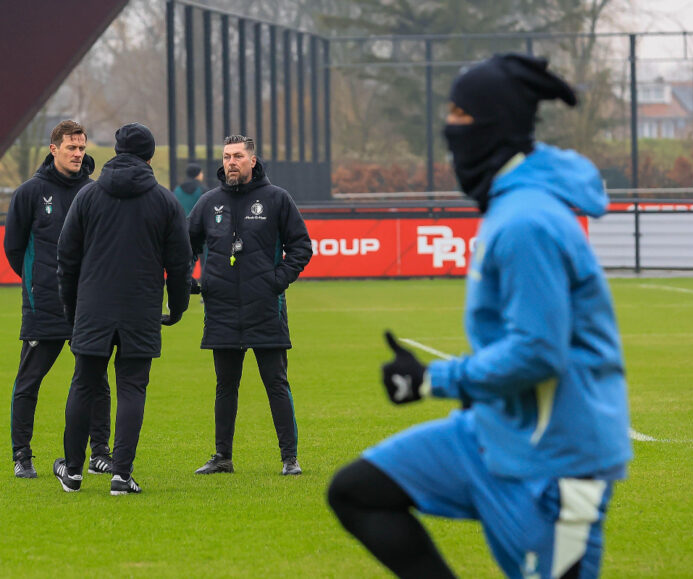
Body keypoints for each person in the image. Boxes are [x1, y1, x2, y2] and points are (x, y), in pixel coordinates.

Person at [328, 54, 632, 579]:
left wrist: (431, 381)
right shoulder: (510, 205)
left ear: (495, 124)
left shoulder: (526, 220)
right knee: (357, 491)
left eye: (460, 114)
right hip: (494, 434)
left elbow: (537, 352)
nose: (450, 128)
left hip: (556, 461)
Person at [53, 122, 191, 495]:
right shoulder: (164, 200)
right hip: (141, 307)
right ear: (150, 156)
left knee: (84, 384)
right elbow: (180, 263)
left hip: (92, 306)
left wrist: (71, 308)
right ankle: (120, 474)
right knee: (132, 387)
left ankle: (74, 472)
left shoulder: (88, 196)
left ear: (115, 152)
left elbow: (66, 257)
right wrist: (177, 307)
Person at [188, 135, 312, 476]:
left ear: (252, 161)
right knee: (225, 386)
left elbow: (301, 247)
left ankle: (290, 459)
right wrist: (192, 281)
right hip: (221, 308)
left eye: (238, 156)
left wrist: (275, 282)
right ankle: (222, 457)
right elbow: (186, 244)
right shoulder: (209, 202)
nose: (231, 162)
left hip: (265, 308)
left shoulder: (276, 199)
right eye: (227, 156)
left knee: (276, 383)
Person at [4, 120, 112, 479]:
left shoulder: (95, 192)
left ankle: (100, 454)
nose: (79, 154)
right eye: (72, 148)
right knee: (29, 381)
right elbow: (15, 249)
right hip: (45, 305)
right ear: (54, 149)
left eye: (82, 148)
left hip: (88, 306)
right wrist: (39, 284)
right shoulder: (30, 193)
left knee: (96, 381)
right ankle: (22, 455)